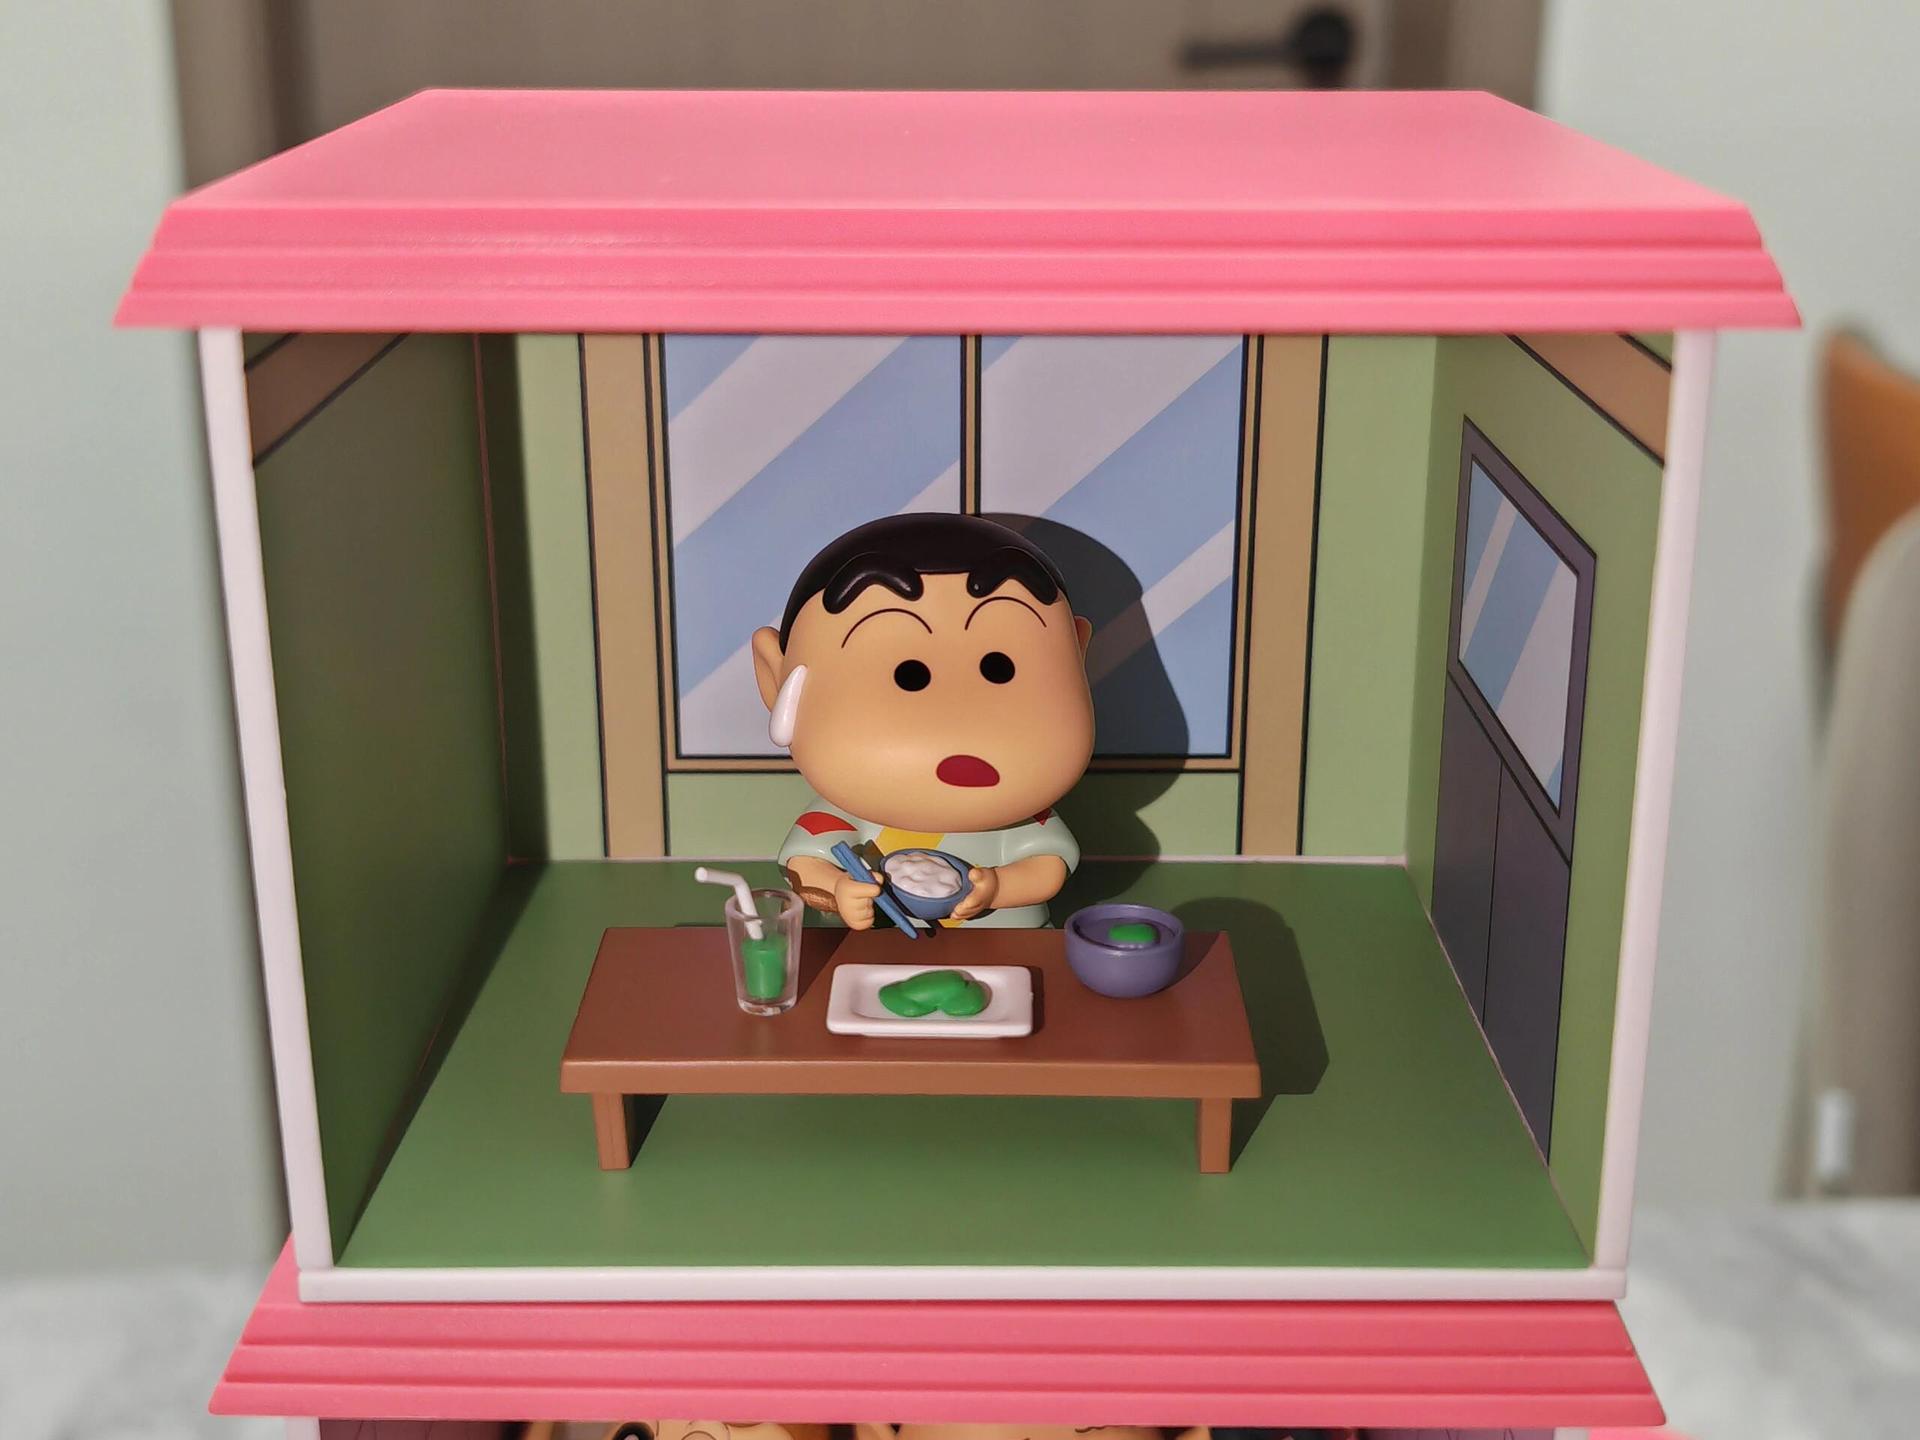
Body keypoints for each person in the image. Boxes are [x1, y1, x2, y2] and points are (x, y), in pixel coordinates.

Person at [751, 514, 1095, 928]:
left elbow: (1048, 867)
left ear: (1079, 663)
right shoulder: (840, 816)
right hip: (868, 952)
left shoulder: (1023, 820)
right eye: (909, 675)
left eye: (999, 668)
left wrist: (999, 888)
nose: (959, 720)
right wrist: (839, 891)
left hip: (1011, 946)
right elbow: (804, 868)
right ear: (776, 680)